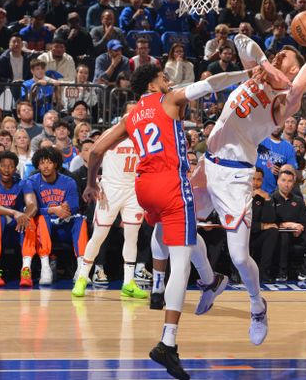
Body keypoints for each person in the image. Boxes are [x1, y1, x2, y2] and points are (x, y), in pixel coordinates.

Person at [83, 63, 264, 380]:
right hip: (171, 184)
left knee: (169, 234)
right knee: (181, 262)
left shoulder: (131, 115)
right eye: (164, 78)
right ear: (153, 85)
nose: (169, 81)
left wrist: (90, 182)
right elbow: (211, 83)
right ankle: (168, 341)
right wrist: (246, 74)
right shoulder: (168, 99)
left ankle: (210, 280)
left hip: (144, 188)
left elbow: (96, 150)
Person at [199, 31, 306, 347]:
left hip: (236, 176)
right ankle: (209, 280)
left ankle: (257, 306)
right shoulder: (257, 75)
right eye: (282, 57)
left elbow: (295, 85)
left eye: (291, 60)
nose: (285, 60)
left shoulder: (285, 102)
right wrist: (254, 52)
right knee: (175, 227)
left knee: (240, 257)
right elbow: (248, 49)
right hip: (208, 163)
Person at [71, 131, 149, 299]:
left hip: (133, 190)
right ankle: (83, 277)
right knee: (99, 235)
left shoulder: (145, 136)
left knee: (132, 236)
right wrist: (91, 183)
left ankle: (128, 282)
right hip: (110, 189)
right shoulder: (111, 134)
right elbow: (94, 153)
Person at [28, 147, 87, 285]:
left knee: (80, 220)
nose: (45, 166)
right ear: (37, 165)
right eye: (42, 163)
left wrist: (65, 209)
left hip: (63, 225)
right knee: (42, 219)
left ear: (55, 164)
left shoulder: (69, 181)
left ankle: (81, 269)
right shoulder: (31, 181)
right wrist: (53, 210)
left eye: (49, 162)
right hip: (43, 227)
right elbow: (30, 209)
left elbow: (74, 207)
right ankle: (45, 268)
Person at [0, 151, 38, 288]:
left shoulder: (23, 183)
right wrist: (15, 213)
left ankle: (26, 270)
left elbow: (33, 205)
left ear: (15, 168)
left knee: (29, 221)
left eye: (11, 166)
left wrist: (25, 216)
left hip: (17, 227)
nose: (7, 170)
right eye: (3, 166)